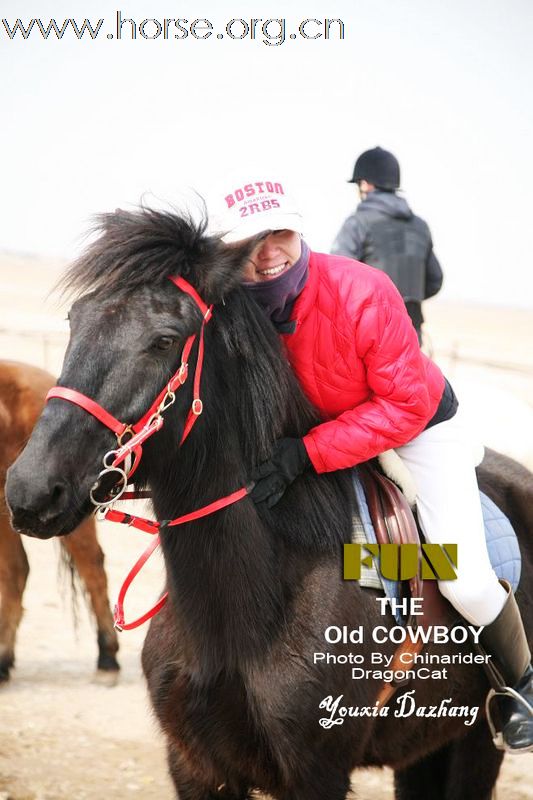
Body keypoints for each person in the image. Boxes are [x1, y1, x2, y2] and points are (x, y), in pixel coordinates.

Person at [212, 176, 533, 753]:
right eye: (250, 241)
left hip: (415, 427)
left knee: (463, 577)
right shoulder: (226, 302)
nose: (267, 253)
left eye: (280, 232)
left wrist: (306, 454)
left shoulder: (363, 289)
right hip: (315, 433)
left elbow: (405, 404)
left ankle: (522, 688)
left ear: (300, 230)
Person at [331, 147, 443, 342]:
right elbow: (435, 281)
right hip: (411, 335)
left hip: (369, 336)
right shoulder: (420, 226)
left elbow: (336, 279)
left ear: (365, 184)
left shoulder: (358, 223)